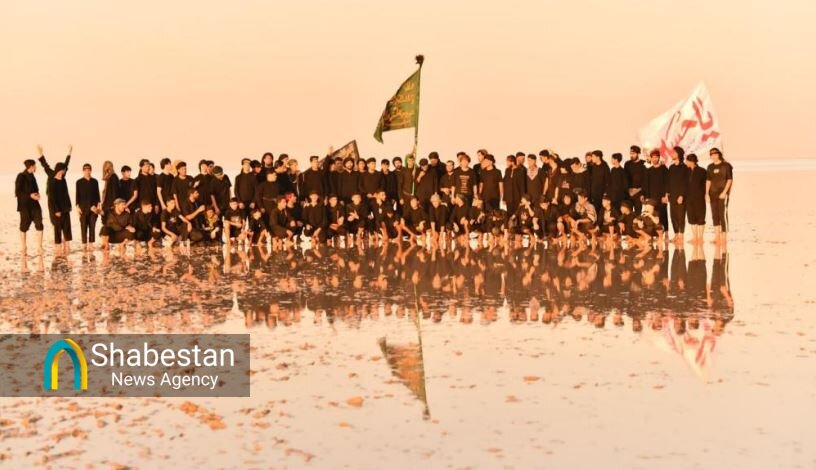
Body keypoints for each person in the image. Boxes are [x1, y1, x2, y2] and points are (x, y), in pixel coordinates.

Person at [39, 147, 72, 253]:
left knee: (67, 226)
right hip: (55, 208)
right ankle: (58, 246)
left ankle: (67, 246)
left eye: (64, 170)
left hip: (65, 207)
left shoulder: (63, 179)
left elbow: (66, 164)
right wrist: (40, 154)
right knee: (57, 227)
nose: (64, 171)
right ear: (59, 170)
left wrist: (69, 154)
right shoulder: (52, 179)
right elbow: (45, 165)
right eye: (63, 170)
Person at [16, 158, 44, 254]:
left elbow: (36, 189)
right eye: (35, 166)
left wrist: (37, 194)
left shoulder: (32, 176)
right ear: (31, 166)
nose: (36, 167)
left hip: (35, 205)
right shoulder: (21, 176)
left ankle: (40, 247)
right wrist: (30, 195)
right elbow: (17, 192)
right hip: (24, 206)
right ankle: (23, 247)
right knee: (23, 227)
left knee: (39, 224)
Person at [706, 148, 733, 244]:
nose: (713, 156)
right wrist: (706, 193)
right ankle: (717, 237)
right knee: (715, 215)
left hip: (722, 194)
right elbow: (708, 181)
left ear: (719, 154)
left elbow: (729, 180)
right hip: (712, 194)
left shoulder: (726, 166)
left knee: (722, 215)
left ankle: (724, 237)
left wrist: (725, 192)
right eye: (711, 154)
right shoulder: (710, 167)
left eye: (715, 154)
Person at [75, 163, 101, 250]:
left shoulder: (95, 181)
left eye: (88, 170)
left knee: (92, 226)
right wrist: (77, 208)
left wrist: (98, 207)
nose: (87, 171)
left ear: (91, 170)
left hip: (93, 208)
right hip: (83, 208)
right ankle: (84, 243)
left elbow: (97, 195)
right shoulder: (79, 182)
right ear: (83, 171)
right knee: (83, 226)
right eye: (85, 170)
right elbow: (77, 195)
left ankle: (91, 243)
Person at [643, 149, 669, 234]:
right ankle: (656, 234)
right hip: (652, 198)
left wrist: (666, 196)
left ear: (659, 157)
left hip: (662, 197)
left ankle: (666, 233)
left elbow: (667, 183)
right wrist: (647, 198)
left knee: (663, 215)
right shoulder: (649, 171)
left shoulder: (664, 169)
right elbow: (646, 185)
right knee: (652, 216)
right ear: (650, 158)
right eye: (653, 157)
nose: (654, 159)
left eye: (656, 157)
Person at [667, 146, 690, 244]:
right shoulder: (671, 167)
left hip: (681, 196)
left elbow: (686, 183)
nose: (672, 154)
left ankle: (681, 235)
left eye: (674, 153)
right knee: (673, 216)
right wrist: (667, 194)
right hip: (672, 195)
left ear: (679, 154)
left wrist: (682, 195)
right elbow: (668, 182)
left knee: (681, 216)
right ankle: (676, 235)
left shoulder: (684, 167)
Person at [685, 154, 707, 243]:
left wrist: (706, 195)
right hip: (689, 198)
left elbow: (706, 184)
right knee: (691, 217)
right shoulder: (686, 171)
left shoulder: (702, 171)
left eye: (687, 161)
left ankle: (701, 238)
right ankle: (694, 237)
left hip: (699, 198)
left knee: (701, 217)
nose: (686, 162)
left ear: (692, 161)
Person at [625, 145, 646, 214]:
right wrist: (629, 190)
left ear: (638, 153)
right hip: (629, 193)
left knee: (638, 212)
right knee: (628, 212)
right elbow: (625, 178)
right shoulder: (627, 164)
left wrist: (640, 191)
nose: (631, 155)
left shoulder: (643, 164)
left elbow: (645, 180)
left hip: (639, 192)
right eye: (630, 153)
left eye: (633, 153)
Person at [589, 150, 610, 216]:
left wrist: (605, 192)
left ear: (598, 157)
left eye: (593, 156)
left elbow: (608, 181)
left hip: (602, 192)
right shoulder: (593, 166)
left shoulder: (605, 166)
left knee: (601, 209)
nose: (592, 158)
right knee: (594, 209)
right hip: (594, 192)